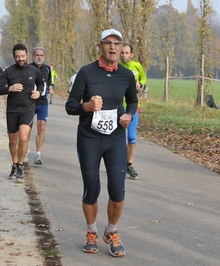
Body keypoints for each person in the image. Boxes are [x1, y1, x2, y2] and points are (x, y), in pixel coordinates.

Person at [65, 29, 138, 257]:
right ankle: (91, 231)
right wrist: (86, 106)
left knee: (117, 189)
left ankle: (112, 231)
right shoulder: (86, 73)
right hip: (89, 138)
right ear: (100, 46)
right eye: (108, 43)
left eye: (117, 43)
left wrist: (129, 115)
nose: (113, 47)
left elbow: (133, 101)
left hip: (116, 138)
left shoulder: (126, 75)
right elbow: (70, 105)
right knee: (92, 189)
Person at [0, 43, 44, 183]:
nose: (20, 59)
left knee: (23, 138)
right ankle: (14, 164)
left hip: (27, 109)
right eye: (17, 57)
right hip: (12, 110)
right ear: (14, 57)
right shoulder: (9, 72)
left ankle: (21, 166)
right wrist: (10, 88)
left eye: (22, 56)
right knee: (13, 141)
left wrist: (38, 92)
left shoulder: (34, 71)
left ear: (27, 55)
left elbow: (41, 84)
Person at [120, 44, 147, 180]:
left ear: (132, 54)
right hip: (118, 106)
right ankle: (117, 164)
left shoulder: (137, 66)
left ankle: (129, 165)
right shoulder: (116, 66)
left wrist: (140, 85)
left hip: (132, 107)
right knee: (117, 138)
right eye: (122, 53)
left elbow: (143, 78)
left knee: (131, 137)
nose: (124, 55)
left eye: (126, 53)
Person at [25, 47, 53, 165]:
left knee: (41, 127)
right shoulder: (28, 68)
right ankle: (25, 151)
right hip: (30, 102)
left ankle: (38, 154)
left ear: (44, 57)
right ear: (32, 56)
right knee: (27, 129)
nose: (39, 57)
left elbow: (49, 81)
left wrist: (51, 88)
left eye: (41, 55)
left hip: (43, 103)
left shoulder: (47, 68)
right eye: (37, 55)